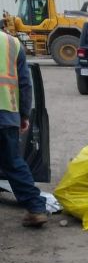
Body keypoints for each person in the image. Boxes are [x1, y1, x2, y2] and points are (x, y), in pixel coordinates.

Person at [0, 31, 48, 227]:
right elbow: (25, 83)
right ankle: (36, 209)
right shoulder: (11, 42)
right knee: (13, 162)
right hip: (7, 113)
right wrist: (24, 115)